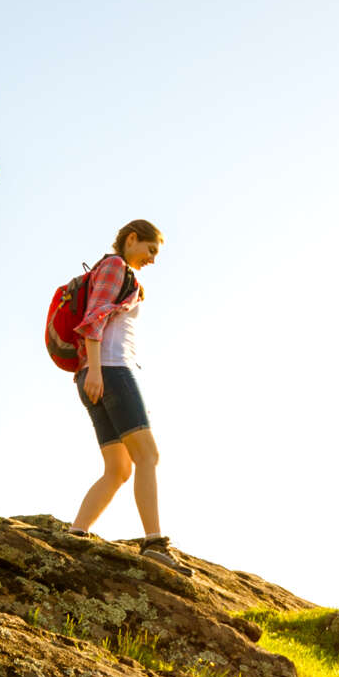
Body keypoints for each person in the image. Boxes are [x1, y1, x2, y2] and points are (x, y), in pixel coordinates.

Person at [68, 220, 193, 576]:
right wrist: (95, 371)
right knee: (148, 455)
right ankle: (154, 543)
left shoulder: (114, 271)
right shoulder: (115, 266)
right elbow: (94, 320)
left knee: (119, 468)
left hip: (97, 373)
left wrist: (91, 373)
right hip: (109, 370)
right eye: (151, 249)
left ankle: (77, 533)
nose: (153, 258)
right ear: (132, 239)